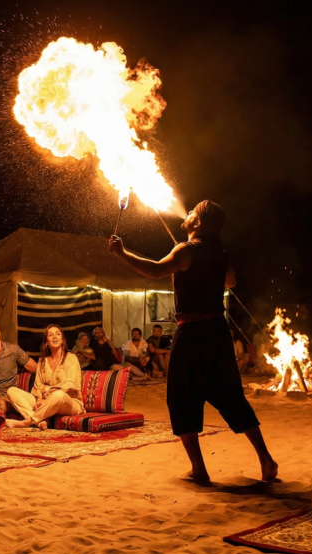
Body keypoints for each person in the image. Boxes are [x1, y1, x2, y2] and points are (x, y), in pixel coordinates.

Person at [109, 200, 278, 483]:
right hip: (218, 333)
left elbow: (154, 270)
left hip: (193, 333)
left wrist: (122, 252)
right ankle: (267, 461)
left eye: (192, 212)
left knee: (181, 396)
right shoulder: (219, 254)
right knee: (231, 396)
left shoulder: (185, 250)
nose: (187, 214)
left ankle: (199, 469)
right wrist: (204, 265)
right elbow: (231, 281)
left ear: (198, 224)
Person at [5, 325, 85, 429]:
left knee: (59, 395)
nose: (54, 337)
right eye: (50, 335)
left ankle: (27, 422)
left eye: (58, 334)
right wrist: (39, 399)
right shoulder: (42, 361)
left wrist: (48, 392)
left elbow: (69, 385)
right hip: (46, 400)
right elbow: (38, 386)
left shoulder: (71, 358)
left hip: (70, 402)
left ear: (62, 340)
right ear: (46, 342)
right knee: (12, 391)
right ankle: (38, 422)